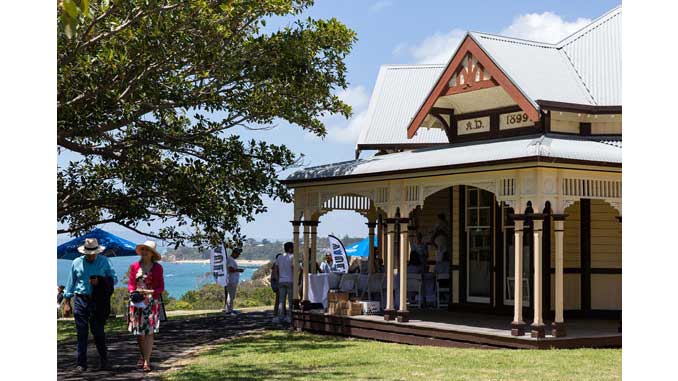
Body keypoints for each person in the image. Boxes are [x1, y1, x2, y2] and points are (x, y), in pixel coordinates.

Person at [62, 238, 118, 373]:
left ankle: (104, 361)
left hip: (97, 301)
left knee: (98, 332)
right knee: (81, 333)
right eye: (88, 253)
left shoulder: (104, 261)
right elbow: (71, 282)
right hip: (81, 299)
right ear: (84, 252)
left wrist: (100, 281)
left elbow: (114, 279)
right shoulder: (76, 263)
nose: (91, 255)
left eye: (93, 252)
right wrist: (67, 302)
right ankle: (81, 363)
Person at [128, 240, 165, 372]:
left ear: (151, 254)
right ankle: (143, 355)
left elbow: (161, 287)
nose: (143, 252)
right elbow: (131, 284)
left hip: (151, 303)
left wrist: (150, 292)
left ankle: (146, 361)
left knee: (149, 332)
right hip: (137, 303)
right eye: (142, 249)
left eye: (146, 250)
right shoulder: (134, 266)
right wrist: (134, 292)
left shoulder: (158, 268)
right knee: (139, 333)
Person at [274, 242, 294, 323]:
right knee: (290, 301)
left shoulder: (279, 257)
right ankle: (289, 317)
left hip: (281, 280)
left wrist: (278, 279)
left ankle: (280, 317)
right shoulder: (292, 257)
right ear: (290, 248)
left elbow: (275, 270)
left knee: (281, 301)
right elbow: (297, 268)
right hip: (290, 280)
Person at [225, 247, 245, 315]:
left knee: (230, 296)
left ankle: (229, 309)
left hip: (232, 280)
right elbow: (230, 269)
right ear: (234, 253)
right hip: (231, 280)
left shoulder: (230, 259)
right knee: (231, 296)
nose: (238, 256)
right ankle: (229, 311)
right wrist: (238, 270)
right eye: (238, 254)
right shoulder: (230, 260)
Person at [270, 253, 282, 320]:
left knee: (279, 299)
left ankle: (278, 314)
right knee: (278, 299)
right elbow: (275, 275)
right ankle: (276, 314)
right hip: (276, 283)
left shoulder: (276, 264)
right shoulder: (276, 264)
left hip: (275, 282)